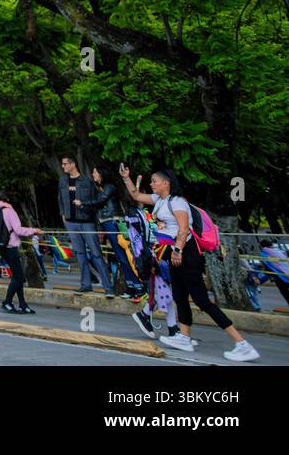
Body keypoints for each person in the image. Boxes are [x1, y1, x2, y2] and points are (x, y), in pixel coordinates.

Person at [119, 165, 259, 362]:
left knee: (202, 300)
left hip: (186, 253)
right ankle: (184, 337)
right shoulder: (160, 200)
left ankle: (242, 344)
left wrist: (178, 250)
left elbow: (184, 229)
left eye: (154, 181)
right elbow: (136, 196)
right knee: (180, 295)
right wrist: (126, 178)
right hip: (174, 254)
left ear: (166, 183)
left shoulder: (177, 202)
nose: (151, 184)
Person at [58, 155, 114, 296]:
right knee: (80, 254)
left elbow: (95, 203)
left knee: (96, 254)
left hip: (87, 222)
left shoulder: (87, 181)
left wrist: (98, 227)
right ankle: (86, 285)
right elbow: (60, 198)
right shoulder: (63, 180)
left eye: (65, 164)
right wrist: (63, 215)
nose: (63, 167)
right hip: (71, 222)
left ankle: (108, 287)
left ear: (73, 164)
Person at [89, 165, 145, 298]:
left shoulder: (109, 187)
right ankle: (131, 287)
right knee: (121, 257)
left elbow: (99, 201)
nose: (93, 174)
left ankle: (139, 287)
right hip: (107, 223)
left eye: (95, 172)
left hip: (113, 223)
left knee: (125, 256)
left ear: (102, 174)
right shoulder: (101, 188)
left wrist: (82, 202)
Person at [0, 191, 40, 314]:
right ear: (6, 200)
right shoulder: (10, 211)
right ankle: (7, 302)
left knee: (17, 275)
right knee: (19, 276)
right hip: (10, 247)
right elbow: (18, 230)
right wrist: (34, 230)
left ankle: (22, 304)